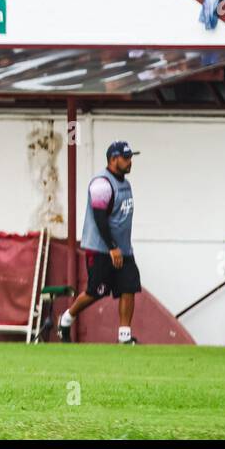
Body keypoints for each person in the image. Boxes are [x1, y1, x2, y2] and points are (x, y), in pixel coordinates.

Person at [59, 142, 141, 344]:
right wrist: (112, 247)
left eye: (131, 157)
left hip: (124, 249)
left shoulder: (126, 184)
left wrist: (121, 247)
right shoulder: (101, 184)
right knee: (97, 291)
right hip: (101, 249)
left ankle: (124, 336)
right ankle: (67, 318)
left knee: (129, 287)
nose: (130, 162)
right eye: (126, 158)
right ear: (113, 159)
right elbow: (100, 218)